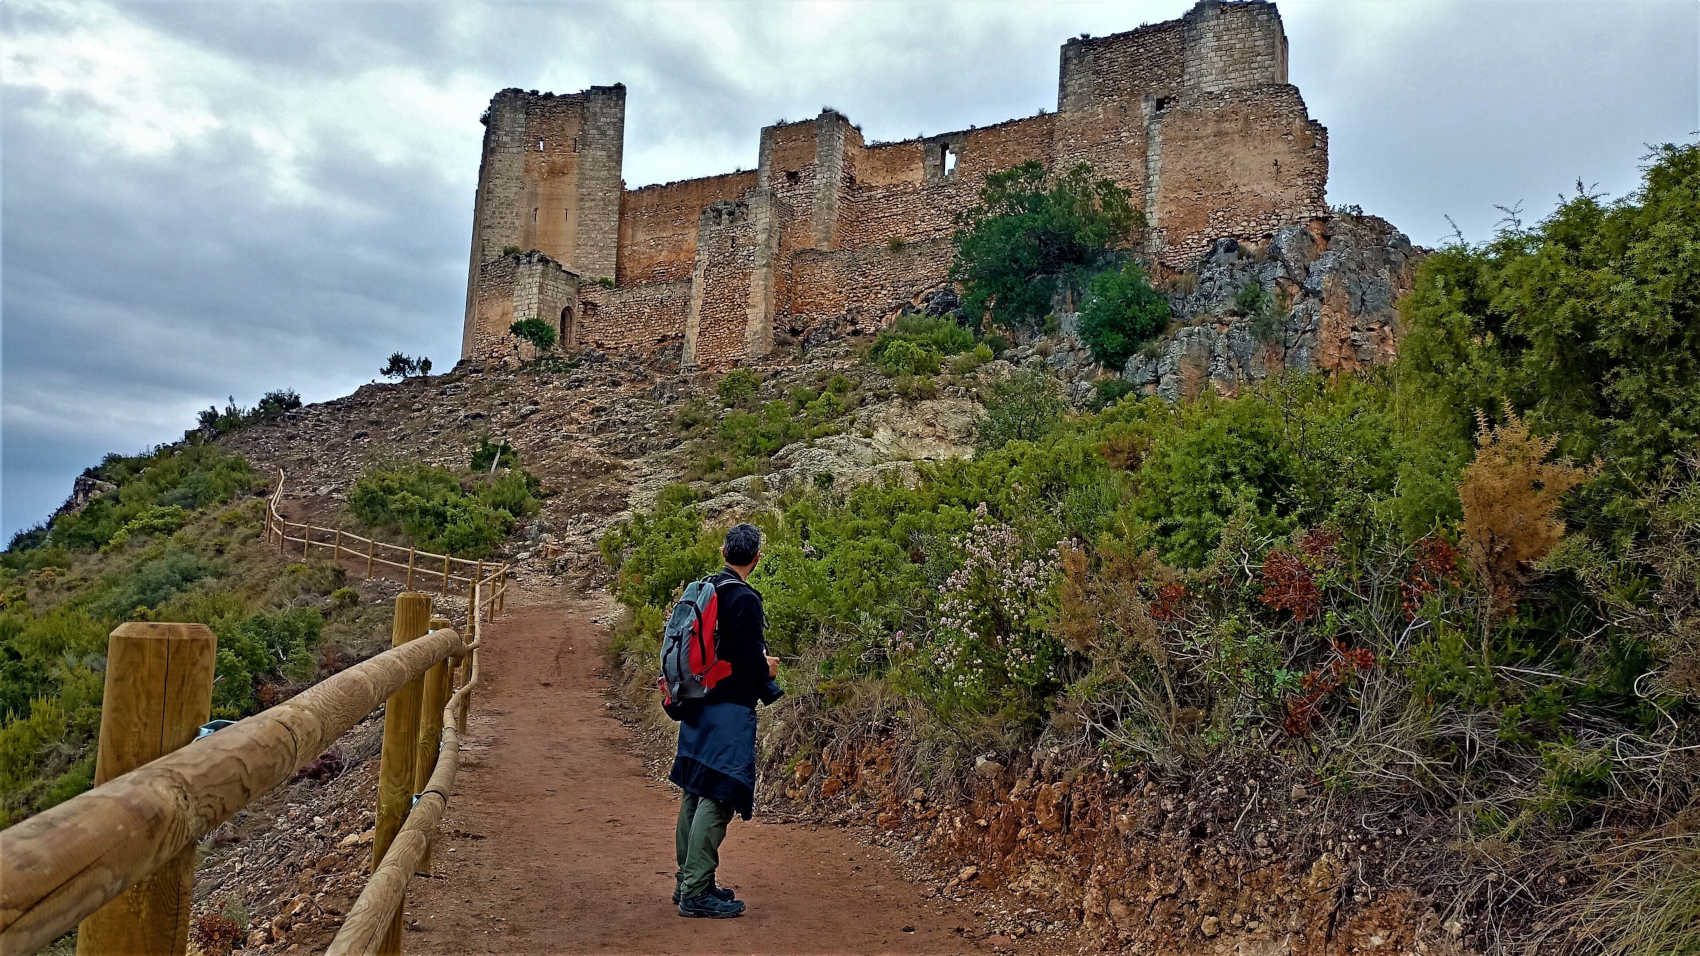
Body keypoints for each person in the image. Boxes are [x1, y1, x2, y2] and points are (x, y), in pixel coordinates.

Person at [670, 522, 781, 918]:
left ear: (723, 552)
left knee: (694, 790)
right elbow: (749, 661)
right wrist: (767, 670)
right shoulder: (745, 599)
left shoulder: (704, 590)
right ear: (756, 557)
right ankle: (696, 893)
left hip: (696, 703)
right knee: (718, 795)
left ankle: (688, 879)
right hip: (729, 711)